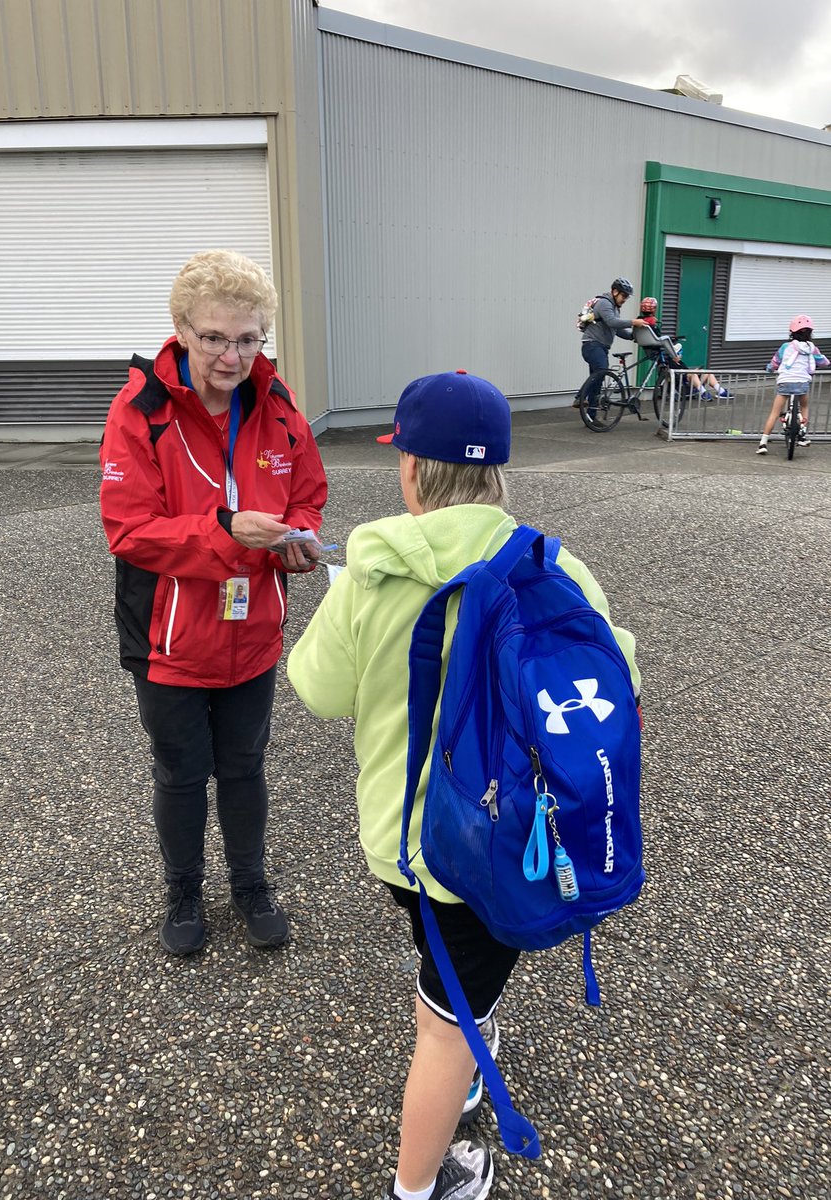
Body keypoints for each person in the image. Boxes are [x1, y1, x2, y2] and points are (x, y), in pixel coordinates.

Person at [286, 371, 639, 1200]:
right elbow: (619, 676)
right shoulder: (552, 565)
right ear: (497, 472)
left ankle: (425, 1168)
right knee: (448, 1016)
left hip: (403, 847)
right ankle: (422, 1179)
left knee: (442, 983)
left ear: (411, 467)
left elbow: (317, 690)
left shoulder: (372, 576)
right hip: (503, 847)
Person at [100, 249, 328, 955]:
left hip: (253, 629)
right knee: (179, 771)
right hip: (170, 640)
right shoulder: (141, 411)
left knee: (246, 765)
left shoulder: (279, 404)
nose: (232, 356)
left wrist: (299, 537)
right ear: (182, 330)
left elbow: (307, 494)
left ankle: (251, 883)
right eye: (214, 338)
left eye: (248, 338)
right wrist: (229, 532)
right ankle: (183, 889)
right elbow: (129, 530)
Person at [757, 314, 829, 455]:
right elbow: (823, 361)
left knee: (774, 412)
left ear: (792, 332)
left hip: (785, 381)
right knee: (804, 406)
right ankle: (802, 435)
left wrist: (769, 368)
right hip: (802, 382)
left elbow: (775, 362)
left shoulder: (786, 347)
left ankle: (763, 443)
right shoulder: (811, 348)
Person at [636, 297, 732, 400]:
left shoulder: (640, 324)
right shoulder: (666, 358)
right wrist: (674, 355)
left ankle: (720, 391)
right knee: (693, 374)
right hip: (684, 381)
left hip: (687, 379)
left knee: (706, 372)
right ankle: (703, 393)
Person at [575, 276, 648, 410]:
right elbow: (612, 322)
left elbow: (617, 329)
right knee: (602, 371)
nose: (625, 299)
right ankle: (580, 397)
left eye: (627, 297)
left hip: (601, 347)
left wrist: (634, 336)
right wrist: (633, 322)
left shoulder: (614, 307)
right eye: (624, 296)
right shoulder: (605, 303)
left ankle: (591, 416)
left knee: (597, 380)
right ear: (615, 292)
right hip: (592, 344)